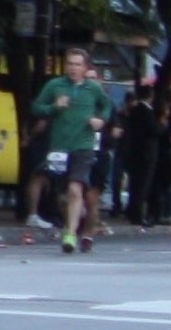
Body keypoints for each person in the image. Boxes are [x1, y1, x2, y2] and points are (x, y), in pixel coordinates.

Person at [29, 46, 115, 255]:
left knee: (76, 189)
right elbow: (36, 107)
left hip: (83, 146)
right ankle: (72, 224)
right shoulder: (55, 85)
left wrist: (100, 120)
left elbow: (107, 106)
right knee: (63, 197)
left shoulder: (93, 88)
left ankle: (70, 234)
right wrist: (53, 107)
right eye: (70, 64)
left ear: (86, 68)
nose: (73, 68)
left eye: (78, 64)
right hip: (59, 147)